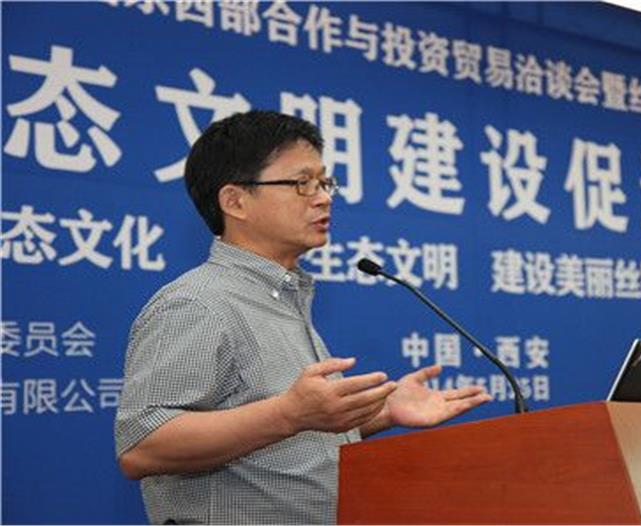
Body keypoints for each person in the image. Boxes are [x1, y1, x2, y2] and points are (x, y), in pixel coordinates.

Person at [114, 110, 491, 524]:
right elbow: (142, 446)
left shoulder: (283, 298)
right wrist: (288, 413)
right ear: (235, 201)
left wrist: (380, 413)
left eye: (324, 182)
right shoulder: (197, 303)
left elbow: (288, 442)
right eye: (301, 183)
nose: (323, 197)